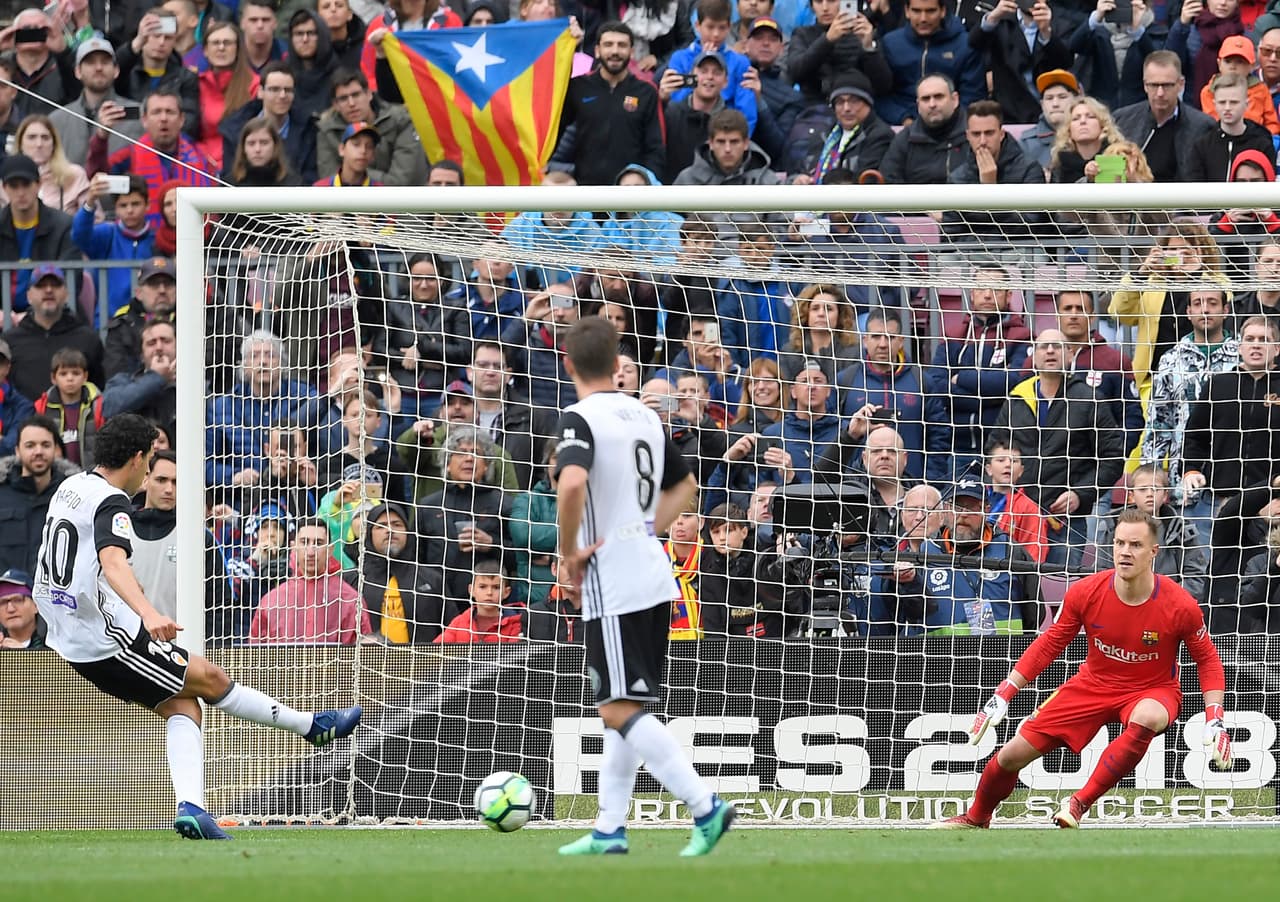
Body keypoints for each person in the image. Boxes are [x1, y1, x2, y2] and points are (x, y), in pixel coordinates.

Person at [31, 413, 362, 839]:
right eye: (150, 462)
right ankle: (313, 727)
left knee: (182, 703)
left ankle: (192, 808)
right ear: (136, 459)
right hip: (104, 637)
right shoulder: (112, 502)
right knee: (210, 678)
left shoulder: (71, 486)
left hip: (70, 629)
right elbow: (112, 561)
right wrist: (148, 614)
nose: (150, 473)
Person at [554, 316, 736, 857]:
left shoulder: (579, 417)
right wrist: (647, 527)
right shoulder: (646, 415)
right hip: (653, 571)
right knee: (626, 705)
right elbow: (686, 484)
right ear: (617, 364)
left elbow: (572, 481)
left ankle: (705, 805)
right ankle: (610, 828)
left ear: (568, 364)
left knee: (615, 707)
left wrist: (571, 553)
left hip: (613, 574)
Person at [937, 509, 1231, 829]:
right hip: (1091, 684)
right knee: (1009, 757)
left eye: (1135, 545)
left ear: (1153, 553)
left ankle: (1078, 804)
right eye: (1119, 543)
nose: (1124, 552)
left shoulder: (1180, 604)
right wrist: (1004, 692)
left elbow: (1208, 661)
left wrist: (1214, 718)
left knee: (1148, 717)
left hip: (1152, 690)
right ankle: (977, 817)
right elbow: (1050, 643)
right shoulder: (1085, 591)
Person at [1142, 289, 1239, 486]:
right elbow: (1159, 423)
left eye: (1212, 303)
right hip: (1183, 482)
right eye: (1198, 303)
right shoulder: (1170, 359)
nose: (1205, 310)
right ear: (1188, 311)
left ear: (1225, 309)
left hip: (1234, 479)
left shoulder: (1243, 357)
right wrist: (1151, 480)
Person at [556, 21, 665, 186]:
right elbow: (554, 130)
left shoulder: (647, 92)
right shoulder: (578, 87)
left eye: (622, 45)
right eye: (608, 45)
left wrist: (644, 182)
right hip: (585, 193)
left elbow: (656, 148)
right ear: (597, 51)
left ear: (632, 52)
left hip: (629, 196)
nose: (615, 51)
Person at [1096, 463, 1208, 603]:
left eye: (1155, 489)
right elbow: (1101, 574)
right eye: (1143, 489)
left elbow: (1195, 577)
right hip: (1123, 605)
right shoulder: (1112, 527)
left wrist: (1163, 600)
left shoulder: (1182, 531)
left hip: (1169, 608)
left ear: (1165, 495)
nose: (1149, 494)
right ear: (1131, 496)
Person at [248, 516, 372, 643]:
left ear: (330, 550)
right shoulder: (271, 601)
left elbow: (363, 655)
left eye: (318, 543)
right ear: (293, 547)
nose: (311, 551)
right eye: (304, 542)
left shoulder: (350, 600)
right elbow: (255, 654)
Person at [942, 101, 1046, 240]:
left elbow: (1033, 227)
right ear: (967, 136)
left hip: (1018, 254)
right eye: (976, 134)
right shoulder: (958, 178)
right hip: (970, 255)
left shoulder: (1029, 169)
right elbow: (951, 236)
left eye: (989, 133)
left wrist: (991, 191)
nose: (983, 141)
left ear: (1001, 134)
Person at [1, 265, 105, 401]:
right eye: (40, 286)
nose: (49, 290)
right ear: (28, 296)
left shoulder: (88, 339)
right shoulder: (10, 341)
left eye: (55, 285)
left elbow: (100, 388)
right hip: (24, 420)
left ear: (66, 294)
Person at [1113, 49, 1217, 183]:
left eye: (1167, 85)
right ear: (1145, 85)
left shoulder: (1203, 127)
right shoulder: (1123, 121)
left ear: (1181, 84)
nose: (1160, 93)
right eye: (1154, 85)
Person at [878, 0, 984, 126]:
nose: (923, 18)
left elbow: (972, 96)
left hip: (951, 127)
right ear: (907, 11)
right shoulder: (890, 43)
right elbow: (881, 95)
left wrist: (950, 124)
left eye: (930, 11)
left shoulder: (965, 45)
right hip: (899, 126)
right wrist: (904, 119)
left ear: (943, 11)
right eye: (916, 11)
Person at [315, 68, 427, 187]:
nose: (351, 103)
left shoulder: (401, 120)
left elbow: (401, 184)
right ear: (335, 105)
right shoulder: (327, 130)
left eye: (356, 95)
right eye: (343, 98)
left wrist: (353, 171)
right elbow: (330, 184)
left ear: (369, 94)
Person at [969, 0, 1074, 125]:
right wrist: (993, 17)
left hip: (1050, 112)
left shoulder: (1062, 23)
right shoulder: (1001, 21)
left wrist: (1046, 32)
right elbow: (974, 43)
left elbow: (1066, 61)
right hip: (1010, 112)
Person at [0, 155, 80, 315]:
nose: (21, 192)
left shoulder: (64, 225)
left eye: (26, 184)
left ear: (39, 184)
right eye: (14, 186)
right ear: (4, 188)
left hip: (51, 315)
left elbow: (71, 279)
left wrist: (31, 316)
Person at [49, 37, 144, 169]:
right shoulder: (57, 119)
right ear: (78, 71)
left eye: (105, 62)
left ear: (116, 70)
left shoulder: (137, 113)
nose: (98, 68)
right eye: (90, 62)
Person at [219, 63, 319, 184]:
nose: (282, 96)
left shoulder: (308, 129)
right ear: (260, 92)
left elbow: (311, 178)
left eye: (288, 90)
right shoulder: (235, 128)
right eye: (274, 89)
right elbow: (230, 178)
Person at [0, 415, 76, 576]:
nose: (38, 451)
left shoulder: (72, 495)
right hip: (8, 597)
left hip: (55, 598)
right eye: (30, 445)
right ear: (17, 451)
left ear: (55, 449)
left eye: (45, 445)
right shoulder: (2, 492)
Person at [72, 176, 156, 318]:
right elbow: (79, 236)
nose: (129, 210)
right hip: (109, 322)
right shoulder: (107, 234)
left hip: (148, 323)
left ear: (147, 204)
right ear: (115, 209)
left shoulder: (155, 240)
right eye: (123, 205)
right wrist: (90, 201)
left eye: (135, 204)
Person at [114, 8, 201, 136]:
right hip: (129, 142)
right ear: (144, 37)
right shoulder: (128, 72)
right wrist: (136, 43)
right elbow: (111, 73)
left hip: (168, 145)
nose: (161, 42)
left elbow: (189, 121)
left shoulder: (186, 78)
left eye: (168, 38)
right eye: (156, 35)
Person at [879, 73, 968, 185]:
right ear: (918, 105)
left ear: (954, 100)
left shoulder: (975, 134)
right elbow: (889, 181)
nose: (932, 104)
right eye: (926, 99)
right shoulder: (905, 139)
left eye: (939, 97)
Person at [1187, 74, 1277, 182]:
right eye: (1222, 102)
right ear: (1214, 105)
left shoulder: (1262, 143)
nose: (1227, 108)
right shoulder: (1202, 144)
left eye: (1234, 102)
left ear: (1246, 104)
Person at [31, 347, 104, 469]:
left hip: (91, 475)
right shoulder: (43, 407)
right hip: (57, 476)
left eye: (76, 373)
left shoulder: (97, 405)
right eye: (63, 374)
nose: (70, 378)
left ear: (85, 376)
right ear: (54, 378)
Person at [104, 257, 176, 381]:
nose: (162, 290)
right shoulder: (122, 325)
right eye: (154, 284)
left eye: (168, 284)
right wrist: (155, 378)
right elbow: (116, 378)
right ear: (138, 293)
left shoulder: (193, 320)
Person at [15, 114, 91, 214]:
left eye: (45, 138)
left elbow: (95, 221)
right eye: (32, 137)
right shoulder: (6, 177)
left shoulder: (74, 174)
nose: (39, 144)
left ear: (54, 144)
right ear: (20, 144)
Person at [433, 559, 524, 643]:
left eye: (496, 587)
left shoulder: (515, 623)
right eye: (482, 587)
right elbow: (436, 651)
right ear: (471, 590)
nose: (489, 592)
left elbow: (513, 658)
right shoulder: (460, 622)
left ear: (506, 592)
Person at [1018, 68, 1079, 174]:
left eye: (1062, 97)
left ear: (1076, 101)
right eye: (1049, 98)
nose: (1055, 104)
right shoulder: (1025, 143)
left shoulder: (1090, 136)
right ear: (1042, 105)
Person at [0, 569, 46, 650]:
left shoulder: (55, 642)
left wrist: (24, 656)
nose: (10, 609)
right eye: (2, 602)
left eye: (18, 600)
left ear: (36, 605)